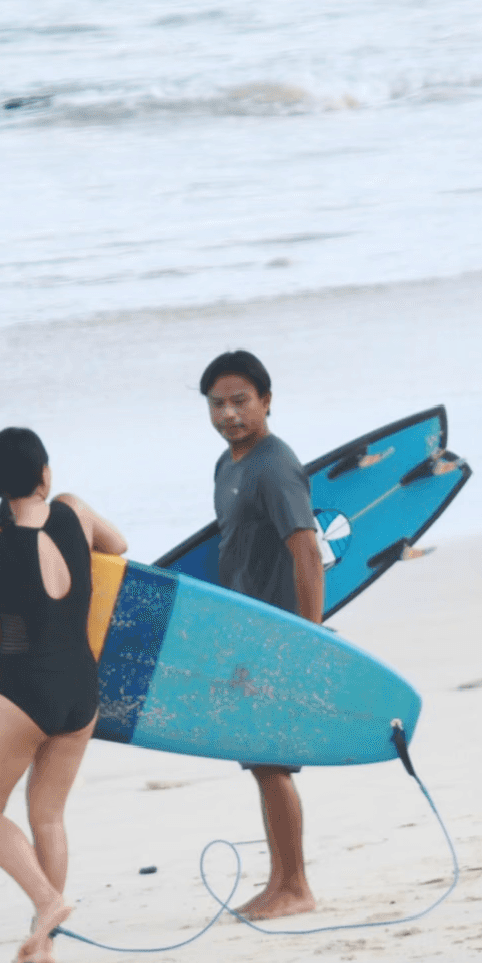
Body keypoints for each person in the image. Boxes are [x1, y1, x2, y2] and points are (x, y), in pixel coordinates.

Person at [0, 426, 127, 963]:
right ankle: (42, 944)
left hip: (24, 694)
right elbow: (118, 545)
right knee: (47, 815)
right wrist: (69, 515)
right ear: (46, 473)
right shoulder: (77, 513)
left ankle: (47, 902)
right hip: (82, 692)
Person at [200, 349, 325, 918]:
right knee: (261, 761)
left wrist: (310, 639)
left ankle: (295, 887)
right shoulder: (229, 466)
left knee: (271, 761)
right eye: (217, 403)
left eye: (240, 401)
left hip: (278, 634)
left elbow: (306, 549)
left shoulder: (275, 465)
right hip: (246, 634)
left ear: (267, 401)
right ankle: (280, 882)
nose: (229, 414)